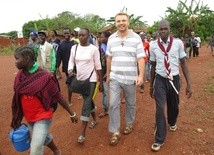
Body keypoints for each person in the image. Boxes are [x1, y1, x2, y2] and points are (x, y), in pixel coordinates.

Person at [11, 45, 78, 155]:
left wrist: (72, 113)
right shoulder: (20, 76)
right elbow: (18, 98)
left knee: (36, 147)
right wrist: (18, 117)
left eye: (17, 59)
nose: (15, 62)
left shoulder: (45, 77)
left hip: (43, 116)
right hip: (29, 116)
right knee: (43, 136)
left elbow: (58, 97)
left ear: (27, 58)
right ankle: (56, 150)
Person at [149, 19, 192, 151]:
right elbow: (153, 66)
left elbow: (183, 63)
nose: (162, 31)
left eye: (165, 29)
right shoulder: (153, 45)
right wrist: (151, 85)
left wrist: (189, 84)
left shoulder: (178, 43)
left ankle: (172, 121)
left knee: (174, 106)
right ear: (158, 30)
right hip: (160, 79)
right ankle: (159, 139)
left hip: (174, 79)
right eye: (160, 29)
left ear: (169, 30)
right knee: (160, 108)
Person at [106, 12, 145, 146]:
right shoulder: (111, 38)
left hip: (130, 77)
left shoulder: (136, 38)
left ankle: (129, 123)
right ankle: (115, 131)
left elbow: (140, 58)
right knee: (113, 104)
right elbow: (109, 58)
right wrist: (108, 74)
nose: (121, 23)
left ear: (128, 22)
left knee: (131, 103)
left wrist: (140, 76)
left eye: (123, 20)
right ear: (115, 23)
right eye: (118, 21)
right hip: (115, 76)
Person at [68, 28, 103, 144]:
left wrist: (101, 82)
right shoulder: (74, 48)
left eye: (83, 35)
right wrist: (69, 70)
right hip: (80, 78)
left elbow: (98, 66)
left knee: (86, 103)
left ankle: (82, 133)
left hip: (91, 79)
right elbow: (71, 61)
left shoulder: (94, 49)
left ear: (88, 36)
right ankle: (95, 119)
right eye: (79, 35)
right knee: (87, 99)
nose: (81, 37)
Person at [56, 28, 77, 105]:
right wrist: (57, 66)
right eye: (64, 33)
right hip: (66, 66)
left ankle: (70, 99)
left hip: (75, 67)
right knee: (69, 83)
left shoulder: (74, 43)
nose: (66, 35)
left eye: (67, 33)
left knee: (71, 82)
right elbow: (59, 56)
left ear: (70, 33)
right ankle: (69, 100)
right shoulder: (61, 44)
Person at [98, 31, 111, 118]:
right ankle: (106, 109)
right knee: (105, 91)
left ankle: (108, 108)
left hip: (109, 71)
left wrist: (107, 72)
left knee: (107, 91)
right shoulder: (102, 47)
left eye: (103, 37)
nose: (101, 39)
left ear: (107, 38)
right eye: (101, 37)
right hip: (104, 72)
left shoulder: (108, 47)